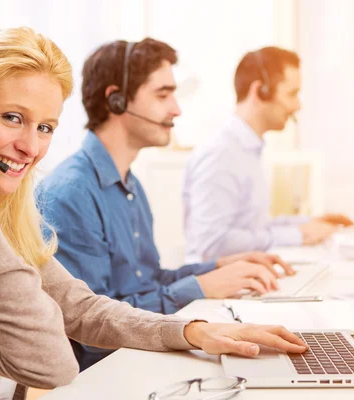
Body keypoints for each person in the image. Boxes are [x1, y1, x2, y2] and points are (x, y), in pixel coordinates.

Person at [0, 29, 307, 400]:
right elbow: (49, 364)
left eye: (45, 127)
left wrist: (191, 332)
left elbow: (78, 307)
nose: (31, 147)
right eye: (12, 118)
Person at [36, 39, 296, 370]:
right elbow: (90, 329)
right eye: (162, 95)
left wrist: (215, 268)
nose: (176, 109)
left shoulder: (130, 184)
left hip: (141, 352)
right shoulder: (71, 193)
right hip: (109, 369)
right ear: (116, 100)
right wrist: (199, 286)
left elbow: (147, 280)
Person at [182, 46, 354, 262]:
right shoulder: (221, 155)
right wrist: (299, 235)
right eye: (292, 94)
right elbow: (212, 244)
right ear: (260, 91)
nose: (297, 105)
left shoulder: (246, 149)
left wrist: (307, 223)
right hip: (218, 286)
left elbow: (253, 226)